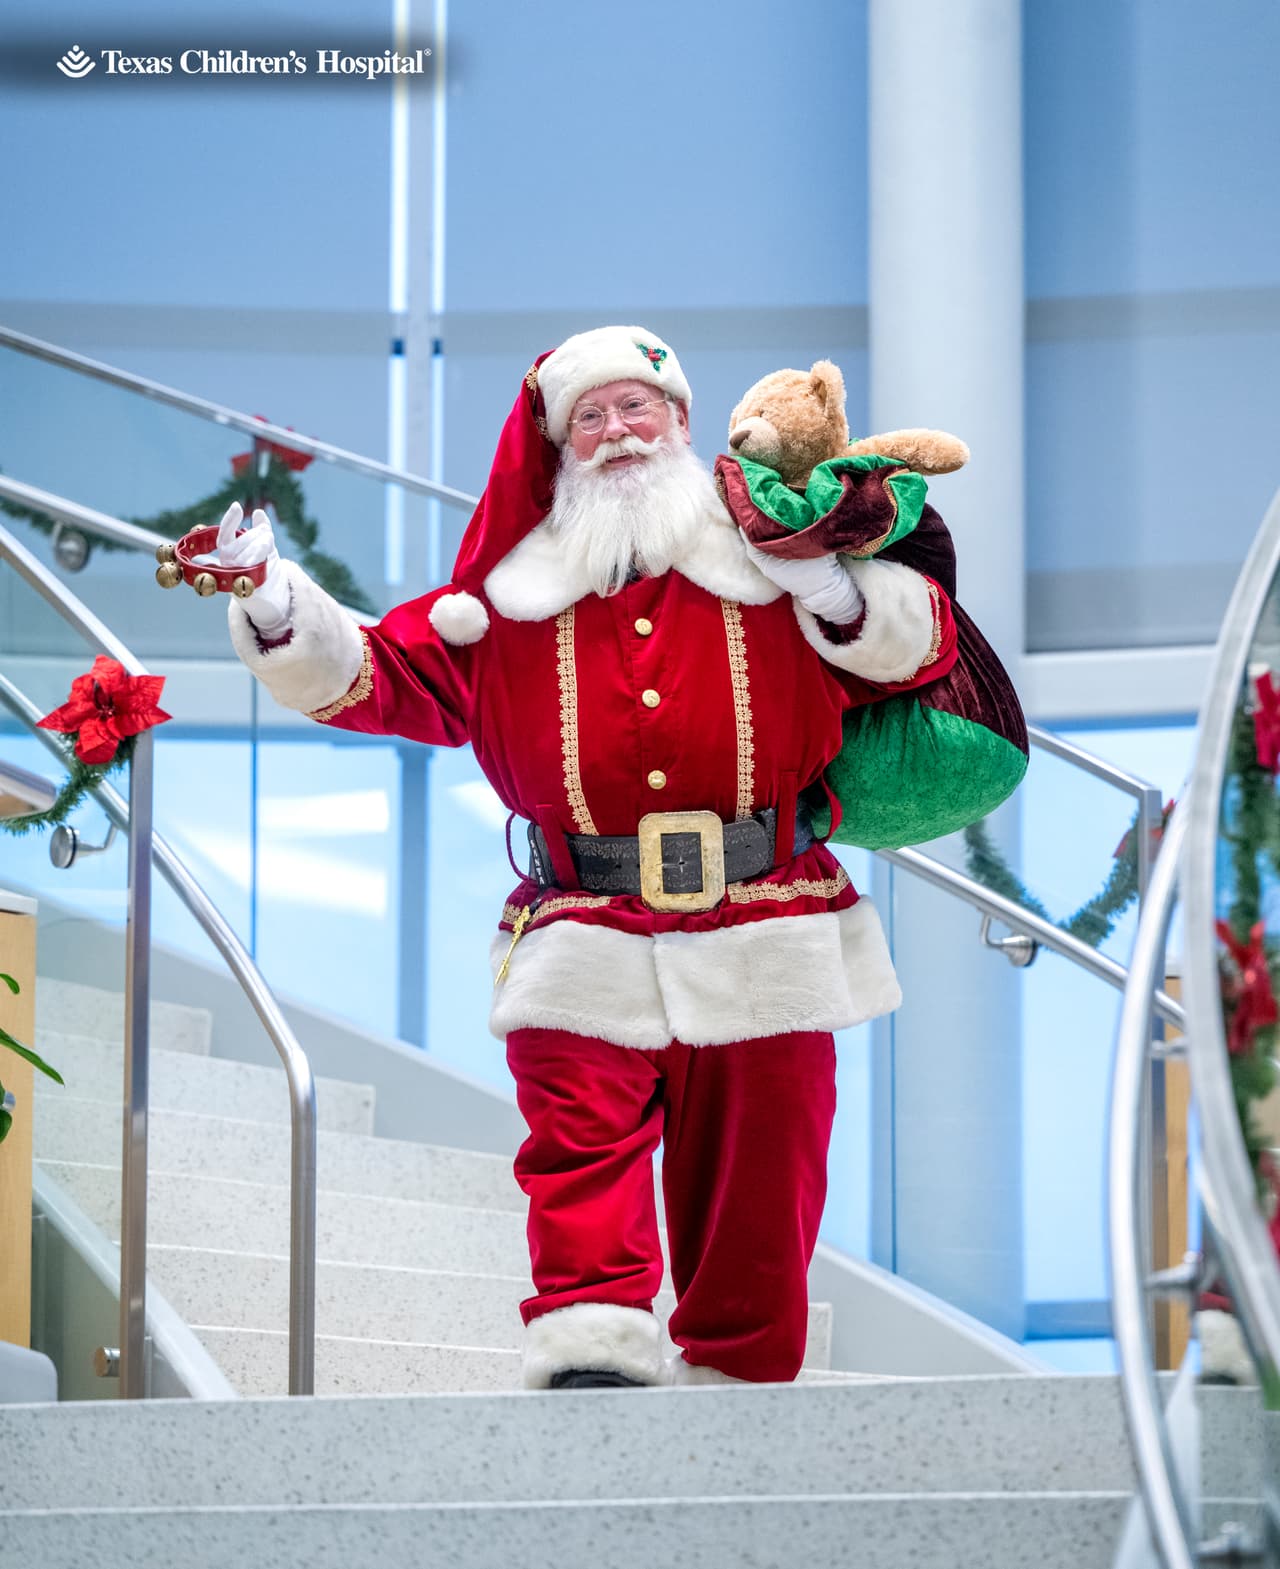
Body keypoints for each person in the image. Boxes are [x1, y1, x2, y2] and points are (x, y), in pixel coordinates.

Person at [217, 325, 958, 1389]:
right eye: (589, 419)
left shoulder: (778, 562)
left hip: (769, 918)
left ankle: (742, 1392)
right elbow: (374, 674)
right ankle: (593, 1344)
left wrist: (832, 590)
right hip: (580, 923)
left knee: (760, 1179)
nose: (615, 433)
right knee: (577, 1143)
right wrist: (273, 599)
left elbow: (915, 649)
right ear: (558, 451)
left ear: (682, 424)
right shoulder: (507, 599)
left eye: (634, 409)